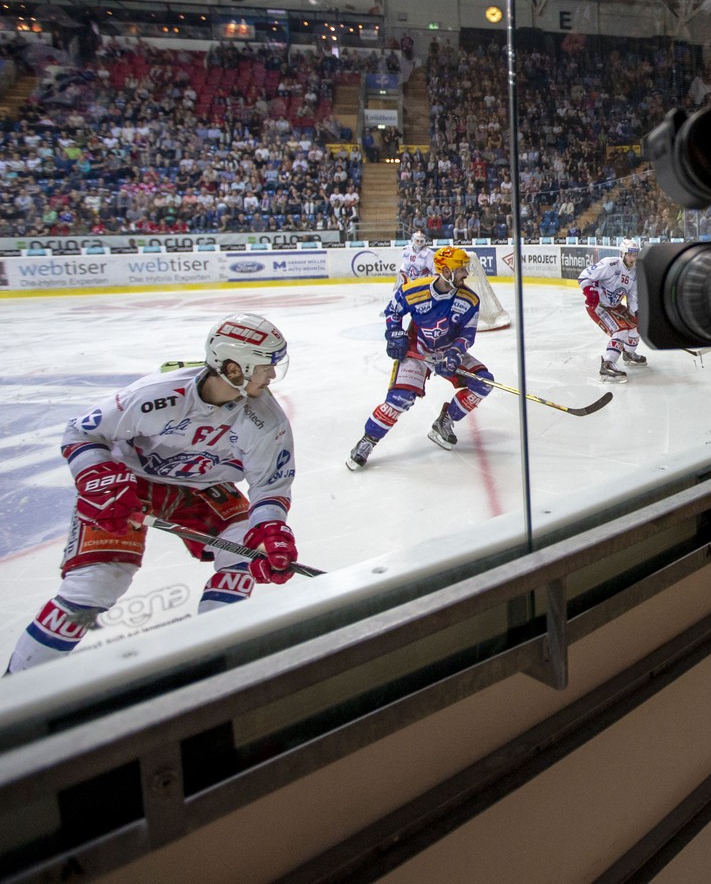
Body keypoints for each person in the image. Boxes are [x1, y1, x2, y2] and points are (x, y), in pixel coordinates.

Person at [7, 315, 300, 674]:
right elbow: (80, 433)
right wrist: (96, 475)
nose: (271, 376)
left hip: (205, 489)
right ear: (233, 367)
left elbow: (269, 485)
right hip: (128, 485)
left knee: (242, 553)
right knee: (96, 583)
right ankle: (16, 688)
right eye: (265, 367)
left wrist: (269, 530)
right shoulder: (154, 395)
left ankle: (213, 664)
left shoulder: (266, 420)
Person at [347, 245, 495, 469]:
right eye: (461, 269)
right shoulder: (414, 290)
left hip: (447, 351)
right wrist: (395, 334)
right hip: (418, 350)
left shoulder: (470, 299)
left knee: (483, 383)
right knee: (399, 400)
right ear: (445, 271)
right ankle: (367, 441)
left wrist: (454, 354)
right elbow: (393, 311)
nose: (466, 274)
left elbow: (467, 334)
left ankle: (445, 422)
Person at [580, 238, 646, 382]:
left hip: (615, 306)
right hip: (598, 306)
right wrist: (590, 292)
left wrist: (636, 313)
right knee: (621, 331)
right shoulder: (611, 263)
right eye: (630, 254)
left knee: (635, 328)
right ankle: (607, 364)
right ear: (622, 253)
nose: (632, 258)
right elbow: (584, 276)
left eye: (635, 255)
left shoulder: (634, 272)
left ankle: (628, 354)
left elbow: (633, 297)